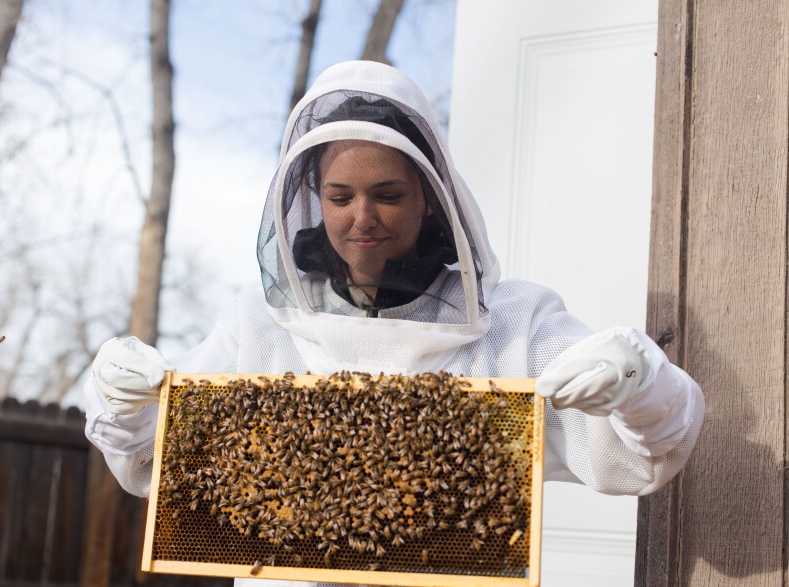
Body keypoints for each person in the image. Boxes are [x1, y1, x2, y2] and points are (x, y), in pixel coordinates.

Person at [83, 60, 704, 586]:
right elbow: (154, 463)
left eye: (387, 194)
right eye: (340, 196)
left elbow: (643, 456)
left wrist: (641, 384)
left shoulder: (513, 325)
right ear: (311, 196)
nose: (363, 218)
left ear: (430, 193)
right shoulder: (260, 327)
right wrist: (122, 400)